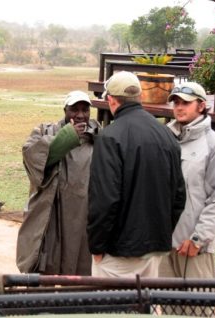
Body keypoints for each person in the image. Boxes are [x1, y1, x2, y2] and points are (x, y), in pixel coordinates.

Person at [87, 71, 186, 278]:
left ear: (111, 100)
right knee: (143, 306)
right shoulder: (166, 134)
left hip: (119, 252)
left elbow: (105, 200)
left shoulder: (110, 137)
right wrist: (162, 233)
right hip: (155, 249)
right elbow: (179, 196)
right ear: (139, 97)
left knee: (111, 308)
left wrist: (96, 246)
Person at [16, 90, 101, 275]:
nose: (80, 115)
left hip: (82, 219)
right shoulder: (46, 132)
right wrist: (67, 137)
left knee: (79, 277)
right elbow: (33, 157)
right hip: (51, 216)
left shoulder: (98, 138)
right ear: (65, 110)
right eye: (74, 109)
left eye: (85, 110)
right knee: (44, 270)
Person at [159, 82, 215, 279]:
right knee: (167, 306)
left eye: (185, 102)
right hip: (162, 245)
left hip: (193, 249)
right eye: (175, 102)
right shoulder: (165, 141)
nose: (179, 107)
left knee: (198, 308)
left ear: (201, 106)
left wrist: (198, 239)